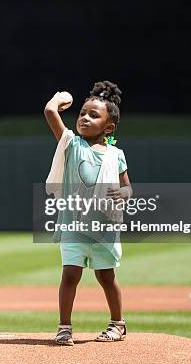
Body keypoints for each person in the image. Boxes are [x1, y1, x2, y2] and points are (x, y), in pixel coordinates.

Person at [43, 81, 131, 345]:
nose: (84, 118)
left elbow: (127, 187)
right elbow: (50, 112)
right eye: (82, 113)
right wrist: (58, 99)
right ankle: (64, 327)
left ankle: (118, 323)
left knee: (106, 276)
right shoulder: (72, 145)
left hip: (104, 228)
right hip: (74, 226)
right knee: (70, 275)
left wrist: (124, 194)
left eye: (94, 115)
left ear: (109, 126)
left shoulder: (116, 154)